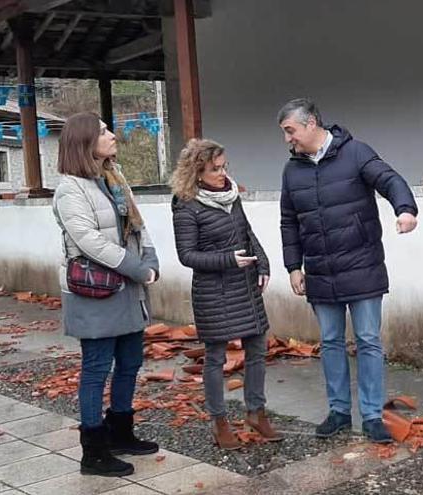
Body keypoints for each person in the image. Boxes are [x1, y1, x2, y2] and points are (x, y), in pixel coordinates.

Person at [277, 98, 419, 443]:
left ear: (310, 123)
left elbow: (389, 179)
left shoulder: (355, 152)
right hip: (321, 271)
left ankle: (371, 416)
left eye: (289, 130)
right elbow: (288, 222)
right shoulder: (292, 170)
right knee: (330, 342)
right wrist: (293, 267)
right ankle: (339, 412)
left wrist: (405, 209)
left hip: (362, 265)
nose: (287, 139)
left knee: (369, 341)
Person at [53, 112, 159, 477]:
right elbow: (89, 241)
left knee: (130, 363)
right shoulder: (70, 188)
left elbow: (137, 225)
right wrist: (136, 267)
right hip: (95, 292)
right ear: (84, 142)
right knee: (96, 369)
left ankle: (121, 432)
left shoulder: (114, 177)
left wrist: (151, 258)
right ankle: (93, 452)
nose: (112, 135)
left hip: (129, 289)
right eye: (102, 132)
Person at [171, 138, 283, 449]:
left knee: (258, 348)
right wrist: (227, 260)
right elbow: (187, 255)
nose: (222, 173)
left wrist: (262, 263)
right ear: (197, 172)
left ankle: (256, 412)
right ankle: (219, 422)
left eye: (224, 166)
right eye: (215, 169)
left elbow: (246, 232)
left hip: (244, 285)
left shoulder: (232, 195)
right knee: (216, 358)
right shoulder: (186, 205)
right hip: (212, 291)